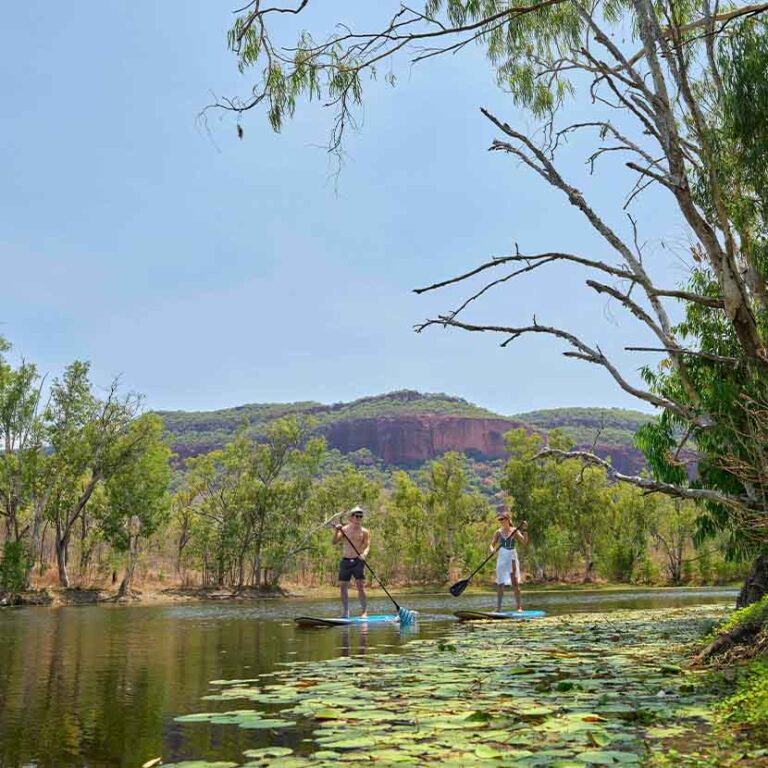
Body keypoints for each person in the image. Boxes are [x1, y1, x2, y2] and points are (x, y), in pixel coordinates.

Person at [332, 505, 370, 618]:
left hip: (359, 560)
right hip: (346, 561)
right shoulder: (344, 529)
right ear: (351, 517)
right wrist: (336, 531)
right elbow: (334, 541)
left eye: (360, 516)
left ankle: (364, 612)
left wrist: (364, 554)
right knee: (343, 586)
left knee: (360, 586)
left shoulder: (365, 531)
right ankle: (346, 612)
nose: (359, 518)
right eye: (357, 516)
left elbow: (368, 545)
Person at [490, 505, 528, 612]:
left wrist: (525, 530)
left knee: (514, 582)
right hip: (502, 556)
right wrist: (492, 549)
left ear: (508, 519)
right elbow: (492, 544)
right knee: (500, 583)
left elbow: (524, 542)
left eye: (502, 519)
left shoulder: (514, 531)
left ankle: (519, 607)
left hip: (511, 555)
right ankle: (498, 609)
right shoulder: (498, 532)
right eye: (500, 520)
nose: (501, 521)